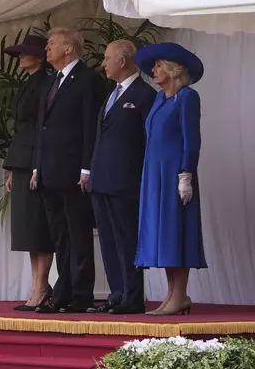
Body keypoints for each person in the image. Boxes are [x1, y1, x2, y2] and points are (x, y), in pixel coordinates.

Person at [30, 28, 106, 314]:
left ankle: (81, 294)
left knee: (78, 233)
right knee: (60, 236)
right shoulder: (53, 81)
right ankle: (63, 293)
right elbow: (42, 128)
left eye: (52, 43)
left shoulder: (88, 80)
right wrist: (37, 166)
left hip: (74, 171)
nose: (46, 48)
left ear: (69, 48)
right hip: (49, 170)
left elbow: (90, 127)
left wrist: (87, 167)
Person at [135, 43, 206, 316]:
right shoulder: (159, 98)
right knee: (162, 235)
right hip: (155, 174)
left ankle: (180, 295)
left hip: (175, 173)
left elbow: (192, 140)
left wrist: (186, 174)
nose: (153, 71)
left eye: (158, 66)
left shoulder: (187, 97)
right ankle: (172, 295)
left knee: (177, 231)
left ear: (173, 69)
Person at [87, 40, 156, 315]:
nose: (103, 63)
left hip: (126, 181)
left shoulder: (145, 94)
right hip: (102, 179)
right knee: (108, 240)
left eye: (107, 58)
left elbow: (149, 141)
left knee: (127, 239)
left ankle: (132, 296)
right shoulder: (112, 94)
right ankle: (116, 294)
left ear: (123, 61)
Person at [2, 34, 54, 311]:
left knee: (39, 226)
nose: (21, 57)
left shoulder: (47, 84)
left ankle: (42, 287)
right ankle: (36, 286)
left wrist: (37, 164)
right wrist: (12, 167)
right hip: (22, 160)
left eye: (26, 52)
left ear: (40, 57)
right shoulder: (27, 84)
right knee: (27, 230)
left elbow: (43, 129)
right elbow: (20, 130)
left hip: (37, 160)